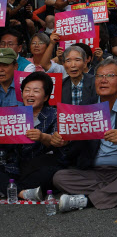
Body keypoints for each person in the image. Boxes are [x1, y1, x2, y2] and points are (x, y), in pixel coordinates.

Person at [52, 58, 117, 211]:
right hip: (93, 172)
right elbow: (76, 140)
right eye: (99, 76)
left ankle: (86, 201)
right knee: (59, 177)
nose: (103, 80)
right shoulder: (86, 105)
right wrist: (66, 140)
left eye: (110, 76)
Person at [0, 72, 61, 201]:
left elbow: (57, 142)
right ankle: (22, 193)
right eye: (27, 90)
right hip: (14, 165)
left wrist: (42, 137)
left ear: (45, 97)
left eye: (36, 91)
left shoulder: (54, 114)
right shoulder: (12, 114)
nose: (30, 94)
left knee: (50, 172)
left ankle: (10, 189)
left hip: (39, 165)